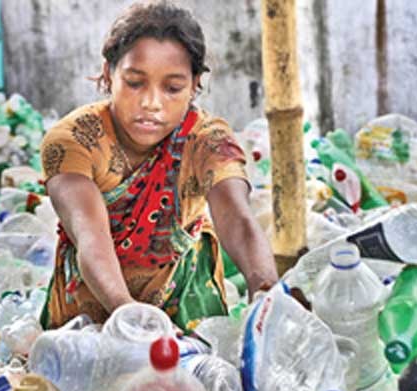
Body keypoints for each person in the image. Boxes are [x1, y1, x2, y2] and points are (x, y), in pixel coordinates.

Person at [40, 0, 279, 331]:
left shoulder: (206, 141)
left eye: (172, 88)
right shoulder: (75, 141)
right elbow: (90, 236)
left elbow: (237, 219)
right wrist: (132, 320)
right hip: (92, 308)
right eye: (136, 82)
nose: (152, 103)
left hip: (185, 300)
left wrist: (267, 293)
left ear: (195, 85)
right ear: (109, 74)